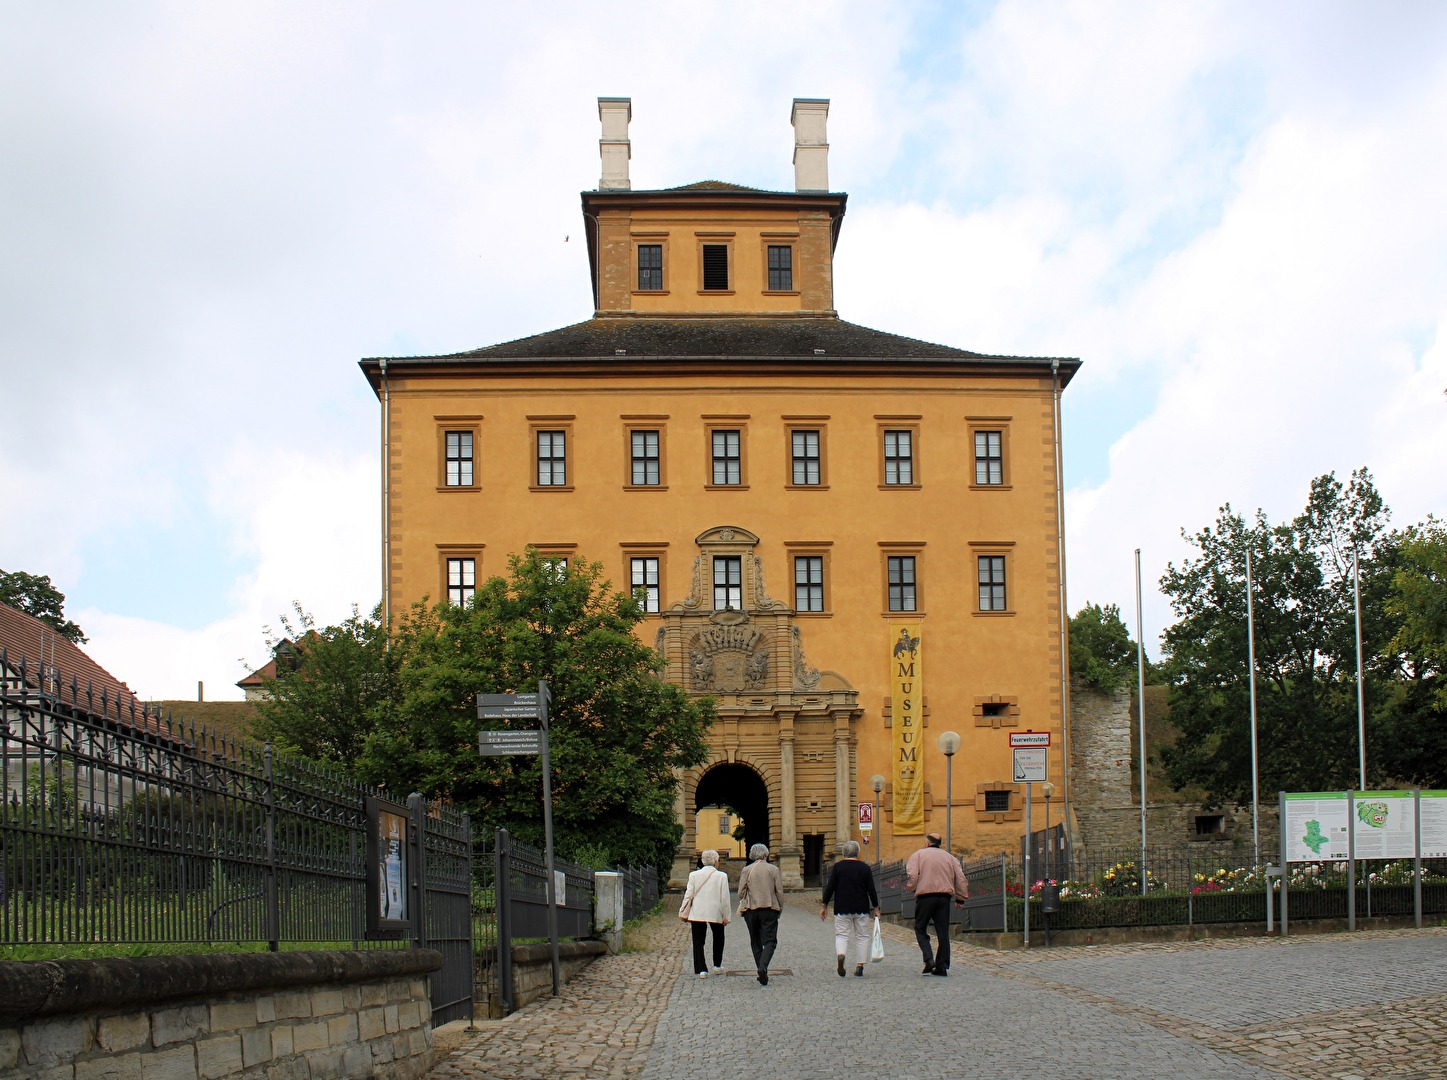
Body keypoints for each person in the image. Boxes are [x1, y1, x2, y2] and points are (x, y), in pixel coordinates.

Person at [905, 831, 969, 976]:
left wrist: (911, 887)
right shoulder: (950, 857)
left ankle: (929, 959)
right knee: (943, 932)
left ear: (927, 843)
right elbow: (961, 878)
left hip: (925, 897)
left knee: (920, 928)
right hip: (944, 898)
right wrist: (960, 898)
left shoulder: (918, 855)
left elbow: (913, 876)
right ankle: (942, 966)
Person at [819, 840, 879, 978]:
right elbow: (871, 889)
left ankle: (841, 955)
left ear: (843, 852)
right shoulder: (865, 868)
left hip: (842, 907)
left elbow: (830, 887)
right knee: (862, 936)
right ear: (857, 852)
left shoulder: (838, 867)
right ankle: (860, 966)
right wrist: (876, 907)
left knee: (841, 935)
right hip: (861, 907)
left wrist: (824, 905)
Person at [736, 843, 784, 986]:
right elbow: (779, 891)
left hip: (751, 910)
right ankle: (763, 967)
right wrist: (780, 908)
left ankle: (761, 970)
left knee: (755, 941)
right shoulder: (773, 869)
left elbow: (740, 893)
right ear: (765, 855)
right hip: (769, 909)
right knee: (770, 941)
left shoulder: (746, 870)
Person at [680, 849, 731, 978]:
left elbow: (689, 894)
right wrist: (726, 916)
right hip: (716, 911)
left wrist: (683, 910)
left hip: (698, 910)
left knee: (698, 940)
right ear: (715, 861)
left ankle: (701, 969)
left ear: (702, 861)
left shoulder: (694, 875)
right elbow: (724, 898)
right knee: (718, 937)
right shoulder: (722, 876)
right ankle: (717, 965)